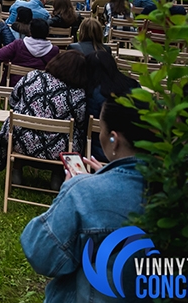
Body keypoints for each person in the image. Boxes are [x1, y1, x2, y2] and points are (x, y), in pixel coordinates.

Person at [20, 99, 151, 302]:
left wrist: (71, 190)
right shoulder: (184, 193)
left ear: (113, 139)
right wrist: (109, 178)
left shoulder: (84, 193)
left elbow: (41, 253)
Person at [0, 50, 87, 189]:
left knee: (18, 127)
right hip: (58, 151)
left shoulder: (32, 76)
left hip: (21, 142)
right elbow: (80, 122)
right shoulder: (78, 94)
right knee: (76, 135)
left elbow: (13, 100)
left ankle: (17, 168)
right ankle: (58, 175)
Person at [0, 18, 59, 84]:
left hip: (16, 84)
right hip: (40, 87)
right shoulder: (54, 50)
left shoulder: (18, 44)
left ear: (30, 31)